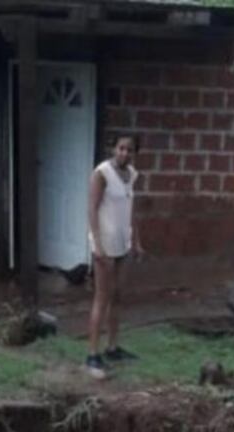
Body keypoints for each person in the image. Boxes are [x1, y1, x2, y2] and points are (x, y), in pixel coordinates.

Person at [86, 135, 144, 377]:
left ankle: (112, 347)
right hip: (105, 243)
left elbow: (130, 211)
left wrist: (137, 242)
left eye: (129, 150)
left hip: (123, 242)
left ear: (134, 153)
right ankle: (92, 354)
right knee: (102, 296)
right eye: (120, 148)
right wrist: (97, 245)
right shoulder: (102, 173)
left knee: (118, 296)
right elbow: (92, 208)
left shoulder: (132, 175)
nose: (124, 153)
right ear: (114, 149)